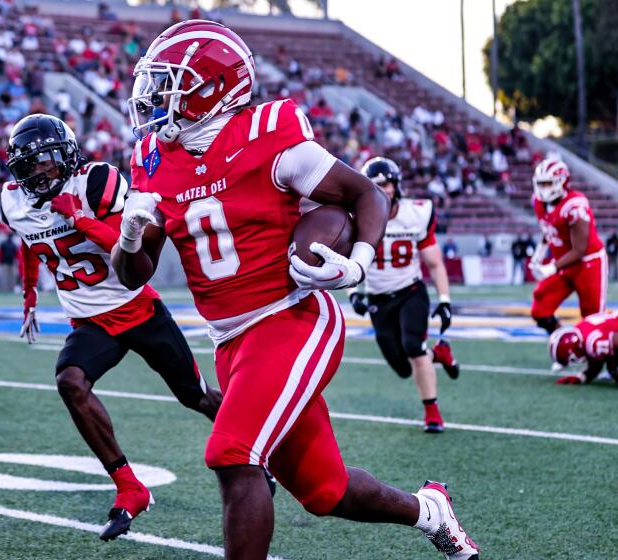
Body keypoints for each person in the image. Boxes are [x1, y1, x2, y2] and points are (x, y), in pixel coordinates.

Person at [115, 20, 479, 560]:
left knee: (232, 454)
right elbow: (134, 274)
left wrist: (358, 263)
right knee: (323, 490)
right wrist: (127, 236)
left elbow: (363, 195)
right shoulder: (152, 157)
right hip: (230, 343)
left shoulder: (270, 133)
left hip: (291, 318)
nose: (153, 96)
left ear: (216, 88)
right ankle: (430, 511)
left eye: (169, 82)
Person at [0, 113, 223, 542]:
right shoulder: (14, 200)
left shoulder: (96, 182)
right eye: (30, 165)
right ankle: (129, 485)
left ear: (65, 155)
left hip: (138, 308)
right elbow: (29, 239)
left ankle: (259, 450)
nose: (39, 171)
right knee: (70, 380)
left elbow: (132, 253)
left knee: (195, 396)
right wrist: (30, 293)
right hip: (90, 321)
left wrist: (80, 218)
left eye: (46, 161)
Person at [348, 157, 461, 433]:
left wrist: (444, 300)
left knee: (413, 346)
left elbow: (434, 263)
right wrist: (354, 292)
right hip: (378, 298)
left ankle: (432, 413)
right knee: (401, 366)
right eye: (375, 186)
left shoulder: (417, 213)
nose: (382, 190)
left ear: (396, 185)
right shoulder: (358, 216)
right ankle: (440, 353)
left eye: (386, 184)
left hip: (411, 291)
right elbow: (349, 258)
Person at [529, 158, 606, 334]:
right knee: (540, 307)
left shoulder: (575, 205)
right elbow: (548, 229)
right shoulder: (538, 202)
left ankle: (595, 357)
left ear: (562, 182)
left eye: (548, 184)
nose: (544, 189)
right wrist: (538, 255)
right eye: (541, 184)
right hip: (563, 264)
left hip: (587, 263)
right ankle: (565, 344)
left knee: (593, 320)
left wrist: (551, 268)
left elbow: (580, 250)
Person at [549, 308, 618, 387]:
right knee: (613, 365)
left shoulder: (592, 343)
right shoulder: (581, 330)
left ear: (575, 350)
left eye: (572, 360)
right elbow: (597, 362)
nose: (574, 362)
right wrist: (582, 377)